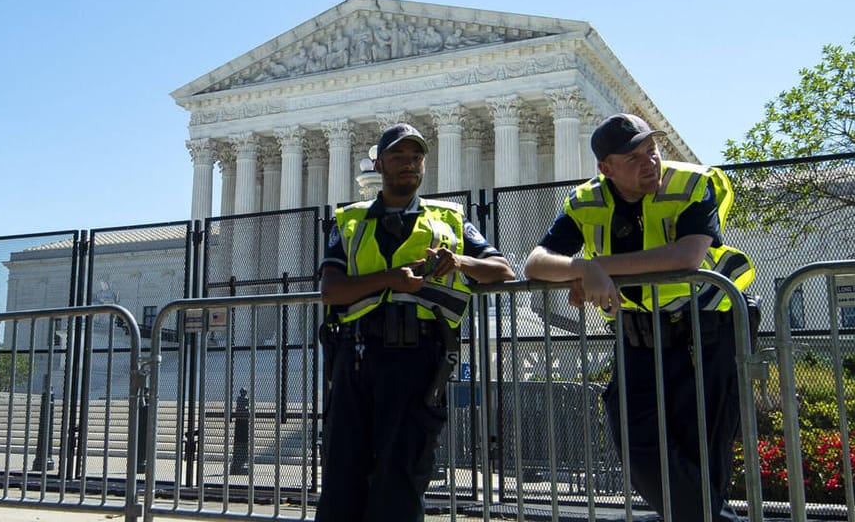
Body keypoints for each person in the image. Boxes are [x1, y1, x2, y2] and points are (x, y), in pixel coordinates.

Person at [524, 113, 755, 522]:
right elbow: (535, 263)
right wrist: (582, 267)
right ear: (605, 168)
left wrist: (599, 267)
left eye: (652, 150)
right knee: (639, 448)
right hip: (635, 342)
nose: (649, 161)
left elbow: (686, 256)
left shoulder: (694, 185)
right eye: (633, 157)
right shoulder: (585, 201)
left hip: (704, 338)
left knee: (703, 460)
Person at [316, 122, 514, 522]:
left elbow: (502, 270)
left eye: (416, 157)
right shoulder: (350, 221)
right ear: (379, 164)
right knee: (341, 476)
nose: (409, 164)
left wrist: (460, 261)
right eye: (398, 156)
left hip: (418, 360)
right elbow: (331, 290)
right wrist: (390, 279)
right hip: (356, 358)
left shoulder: (451, 219)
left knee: (402, 476)